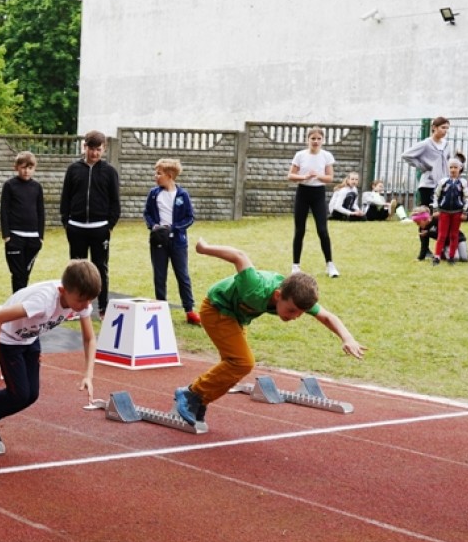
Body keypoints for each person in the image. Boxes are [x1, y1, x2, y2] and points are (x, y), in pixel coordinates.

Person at [172, 238, 364, 425]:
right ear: (278, 295)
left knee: (235, 366)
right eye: (291, 311)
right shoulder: (256, 287)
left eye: (300, 313)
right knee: (242, 362)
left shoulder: (296, 297)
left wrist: (348, 338)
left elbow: (327, 317)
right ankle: (191, 394)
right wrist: (204, 248)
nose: (295, 316)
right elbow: (239, 256)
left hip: (237, 317)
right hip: (217, 308)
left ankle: (200, 401)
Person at [0, 260, 100, 442]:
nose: (85, 305)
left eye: (90, 300)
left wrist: (88, 374)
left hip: (30, 338)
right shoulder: (43, 302)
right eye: (81, 300)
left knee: (31, 395)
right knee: (19, 394)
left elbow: (89, 338)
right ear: (63, 291)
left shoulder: (81, 300)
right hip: (8, 339)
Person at [60, 130, 121, 315]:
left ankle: (103, 307)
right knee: (76, 271)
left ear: (104, 149)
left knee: (100, 268)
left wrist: (108, 225)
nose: (94, 153)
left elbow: (115, 201)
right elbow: (65, 198)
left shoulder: (109, 172)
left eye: (98, 149)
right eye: (91, 148)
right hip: (76, 228)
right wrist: (67, 222)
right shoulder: (73, 169)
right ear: (84, 147)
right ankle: (74, 307)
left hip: (99, 229)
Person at [143, 158, 198, 324]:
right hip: (158, 241)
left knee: (183, 276)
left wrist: (173, 229)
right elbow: (147, 214)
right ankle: (161, 308)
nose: (155, 176)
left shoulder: (182, 195)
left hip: (178, 243)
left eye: (158, 173)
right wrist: (154, 226)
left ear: (169, 175)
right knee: (159, 276)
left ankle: (189, 310)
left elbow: (190, 217)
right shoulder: (154, 194)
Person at [287, 127, 339, 277]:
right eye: (313, 138)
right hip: (303, 193)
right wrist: (303, 177)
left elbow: (330, 178)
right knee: (299, 230)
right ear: (307, 140)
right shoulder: (300, 155)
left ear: (322, 140)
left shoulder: (326, 156)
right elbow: (290, 175)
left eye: (318, 139)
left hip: (318, 194)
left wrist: (318, 175)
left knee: (322, 230)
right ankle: (295, 266)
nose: (315, 141)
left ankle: (330, 265)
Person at [0, 150, 45, 292]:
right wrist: (7, 236)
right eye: (23, 167)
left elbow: (41, 211)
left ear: (34, 169)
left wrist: (40, 236)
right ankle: (16, 305)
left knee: (25, 274)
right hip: (15, 237)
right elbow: (4, 210)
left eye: (30, 168)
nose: (26, 171)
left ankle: (21, 305)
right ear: (16, 167)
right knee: (17, 274)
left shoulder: (37, 187)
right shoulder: (10, 185)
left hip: (33, 238)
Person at [401, 116, 452, 209]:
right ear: (434, 127)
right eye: (443, 127)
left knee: (442, 211)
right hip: (429, 184)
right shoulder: (426, 144)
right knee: (428, 212)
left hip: (444, 183)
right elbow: (406, 155)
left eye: (447, 128)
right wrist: (422, 166)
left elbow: (448, 160)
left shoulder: (446, 144)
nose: (445, 131)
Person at [432, 157, 468, 265]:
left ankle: (451, 257)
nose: (453, 170)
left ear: (460, 168)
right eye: (451, 167)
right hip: (444, 212)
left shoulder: (463, 183)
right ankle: (437, 256)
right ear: (448, 168)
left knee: (454, 235)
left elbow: (467, 198)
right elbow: (435, 195)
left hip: (457, 213)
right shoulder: (443, 181)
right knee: (442, 235)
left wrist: (464, 212)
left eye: (455, 167)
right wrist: (435, 209)